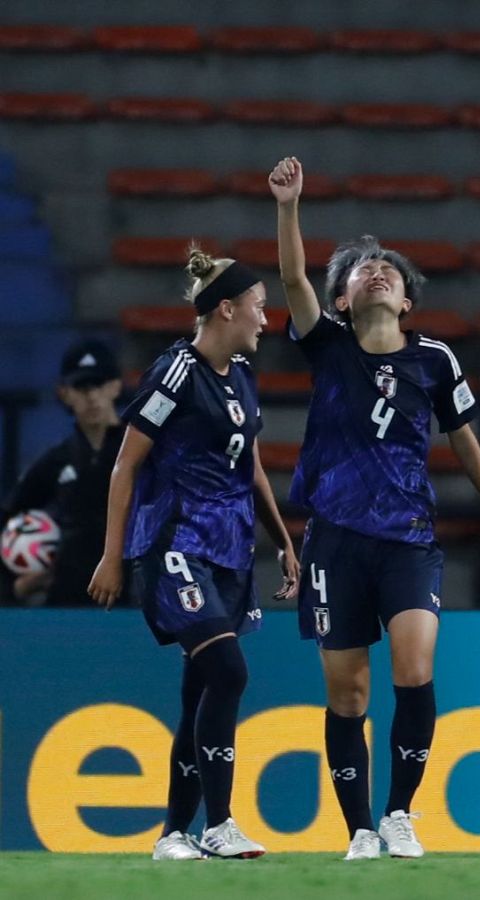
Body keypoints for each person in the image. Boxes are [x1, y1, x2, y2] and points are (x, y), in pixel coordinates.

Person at [270, 157, 480, 861]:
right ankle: (360, 832)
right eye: (360, 269)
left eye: (389, 270)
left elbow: (463, 435)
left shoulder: (434, 360)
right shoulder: (329, 347)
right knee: (347, 695)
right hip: (334, 541)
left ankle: (400, 811)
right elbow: (290, 281)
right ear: (340, 299)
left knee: (414, 668)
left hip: (407, 536)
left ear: (408, 302)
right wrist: (289, 209)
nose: (376, 272)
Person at [87, 248, 298, 860]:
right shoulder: (176, 373)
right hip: (175, 543)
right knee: (229, 671)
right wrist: (112, 555)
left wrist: (284, 542)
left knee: (199, 692)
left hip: (228, 552)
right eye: (259, 308)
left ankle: (172, 835)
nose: (265, 320)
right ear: (226, 308)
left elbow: (252, 469)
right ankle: (220, 823)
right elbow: (126, 465)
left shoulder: (242, 378)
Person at [3, 339, 125, 605]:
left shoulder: (142, 451)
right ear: (64, 393)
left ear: (116, 386)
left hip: (133, 596)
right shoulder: (56, 460)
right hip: (69, 601)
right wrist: (14, 586)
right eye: (81, 387)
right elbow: (11, 515)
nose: (92, 396)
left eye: (99, 384)